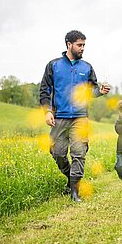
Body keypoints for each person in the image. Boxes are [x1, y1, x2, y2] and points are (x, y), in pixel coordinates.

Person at [39, 30, 110, 202]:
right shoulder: (53, 65)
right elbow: (44, 90)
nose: (82, 48)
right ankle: (70, 177)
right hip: (59, 117)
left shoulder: (87, 67)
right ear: (69, 44)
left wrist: (99, 91)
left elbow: (91, 90)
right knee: (57, 152)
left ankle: (75, 191)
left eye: (84, 45)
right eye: (79, 45)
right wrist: (47, 111)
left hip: (80, 117)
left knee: (79, 153)